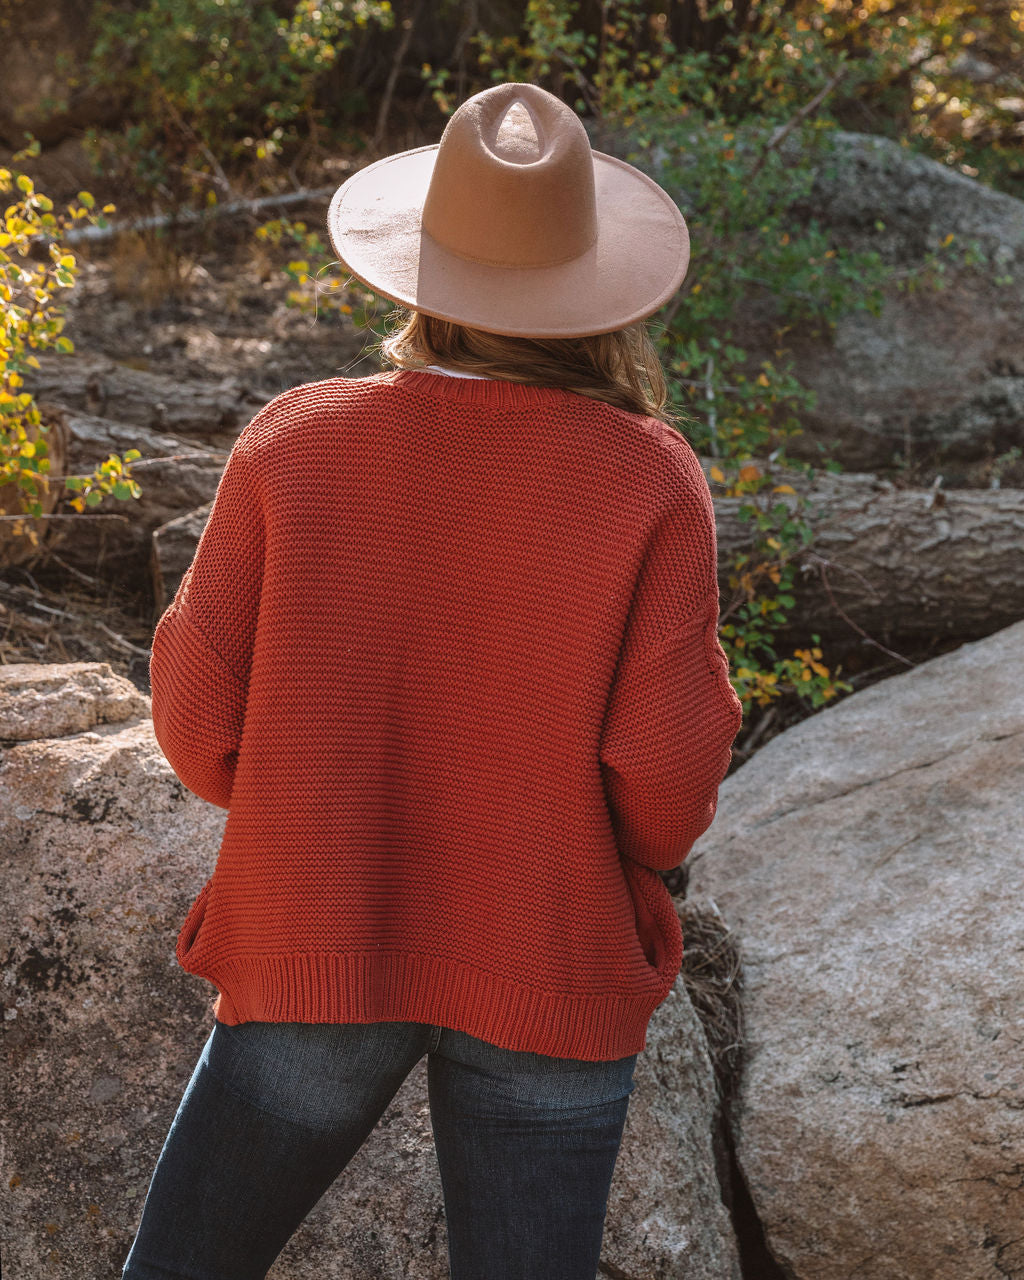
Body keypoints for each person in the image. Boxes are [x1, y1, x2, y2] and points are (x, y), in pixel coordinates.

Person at [124, 81, 744, 1280]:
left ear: (419, 272)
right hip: (547, 950)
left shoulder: (293, 439)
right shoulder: (649, 478)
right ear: (597, 290)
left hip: (320, 928)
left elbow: (197, 730)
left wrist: (325, 783)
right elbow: (666, 788)